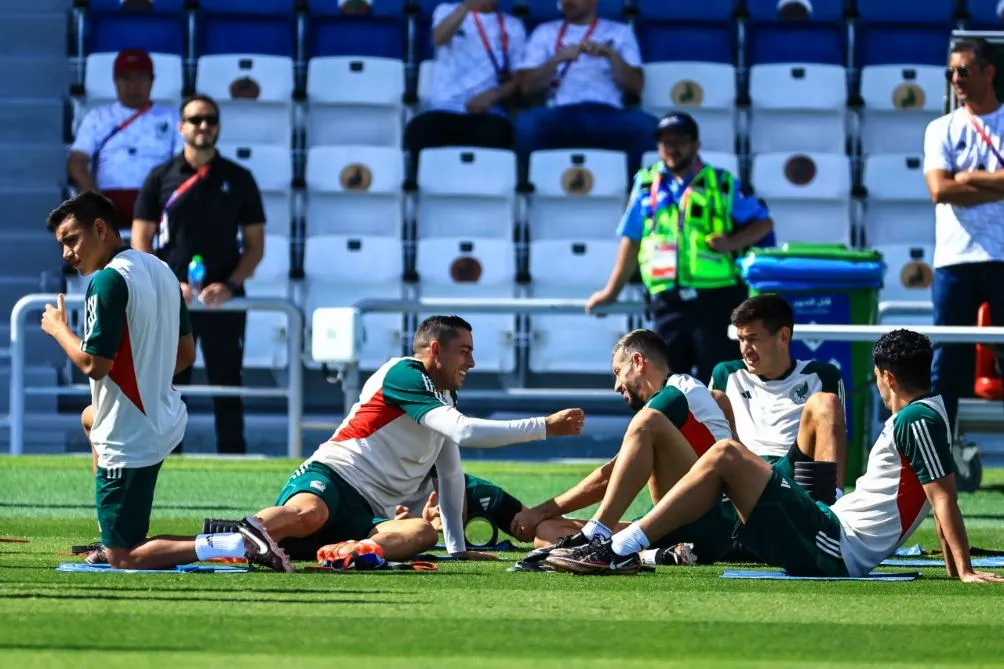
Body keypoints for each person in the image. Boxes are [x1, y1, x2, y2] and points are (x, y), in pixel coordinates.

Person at [547, 329, 1004, 583]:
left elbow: (943, 497)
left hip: (833, 544)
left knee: (727, 454)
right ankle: (618, 545)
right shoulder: (930, 416)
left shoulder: (915, 420)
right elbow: (937, 492)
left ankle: (615, 547)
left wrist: (962, 571)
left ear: (884, 376)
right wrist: (952, 568)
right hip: (828, 527)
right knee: (727, 457)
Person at [41, 192, 290, 572]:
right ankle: (113, 534)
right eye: (62, 244)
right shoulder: (161, 270)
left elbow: (93, 365)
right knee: (91, 416)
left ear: (100, 229)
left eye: (71, 240)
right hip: (165, 415)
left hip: (129, 434)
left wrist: (59, 329)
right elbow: (186, 355)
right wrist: (147, 377)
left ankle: (237, 541)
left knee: (127, 558)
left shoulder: (106, 282)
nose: (66, 254)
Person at [202, 316, 586, 562]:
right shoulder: (404, 373)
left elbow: (450, 476)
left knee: (419, 532)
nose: (471, 362)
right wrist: (545, 426)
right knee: (311, 514)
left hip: (371, 512)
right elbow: (465, 431)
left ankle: (344, 554)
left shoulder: (444, 396)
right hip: (334, 477)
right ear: (435, 350)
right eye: (464, 351)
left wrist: (457, 549)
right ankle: (233, 540)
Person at [519, 329, 738, 568]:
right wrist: (543, 517)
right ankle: (656, 555)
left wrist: (541, 510)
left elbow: (611, 475)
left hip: (708, 519)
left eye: (617, 372)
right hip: (681, 524)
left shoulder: (672, 396)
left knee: (647, 422)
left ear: (638, 361)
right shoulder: (688, 393)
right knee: (547, 533)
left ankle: (598, 534)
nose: (616, 386)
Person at [586, 112, 775, 383]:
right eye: (665, 142)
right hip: (668, 303)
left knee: (720, 385)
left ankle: (723, 428)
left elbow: (763, 223)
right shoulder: (647, 184)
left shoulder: (720, 182)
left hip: (717, 299)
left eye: (679, 140)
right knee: (669, 387)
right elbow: (631, 237)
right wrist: (610, 292)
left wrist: (731, 242)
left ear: (695, 144)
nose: (672, 148)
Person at [132, 94, 266, 455]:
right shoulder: (159, 177)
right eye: (195, 120)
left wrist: (231, 285)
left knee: (228, 384)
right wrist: (167, 285)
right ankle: (166, 463)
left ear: (218, 126)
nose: (203, 126)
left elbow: (255, 246)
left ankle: (233, 460)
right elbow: (140, 241)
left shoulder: (239, 178)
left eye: (209, 119)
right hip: (171, 301)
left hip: (224, 303)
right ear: (181, 127)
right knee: (170, 386)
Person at [923, 37, 1004, 437]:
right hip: (955, 257)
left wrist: (968, 177)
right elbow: (939, 190)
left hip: (1002, 256)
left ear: (990, 71)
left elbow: (954, 185)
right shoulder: (941, 128)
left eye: (965, 70)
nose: (956, 79)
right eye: (951, 72)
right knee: (946, 362)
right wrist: (995, 184)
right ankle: (939, 456)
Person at [709, 294, 847, 491]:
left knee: (826, 403)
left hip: (795, 469)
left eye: (752, 339)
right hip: (741, 467)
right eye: (741, 339)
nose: (745, 350)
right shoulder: (727, 374)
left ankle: (832, 506)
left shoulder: (821, 375)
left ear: (783, 337)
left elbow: (836, 441)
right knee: (713, 399)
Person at [513, 0, 657, 181]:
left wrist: (611, 55)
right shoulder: (545, 32)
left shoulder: (619, 32)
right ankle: (531, 192)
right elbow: (526, 86)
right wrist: (557, 59)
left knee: (648, 127)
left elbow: (636, 86)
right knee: (527, 125)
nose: (567, 2)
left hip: (609, 114)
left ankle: (635, 195)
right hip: (561, 114)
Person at [406, 0, 525, 174]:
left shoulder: (513, 26)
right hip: (444, 108)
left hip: (488, 112)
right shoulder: (446, 10)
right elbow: (438, 38)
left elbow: (519, 78)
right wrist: (468, 5)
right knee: (419, 132)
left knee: (500, 136)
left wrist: (494, 95)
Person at [68, 49, 179, 233]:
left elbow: (183, 164)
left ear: (152, 81)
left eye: (140, 78)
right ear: (115, 82)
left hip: (157, 201)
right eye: (126, 78)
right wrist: (96, 199)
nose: (133, 85)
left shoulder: (172, 117)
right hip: (109, 201)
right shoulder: (98, 117)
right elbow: (76, 163)